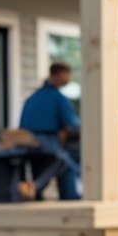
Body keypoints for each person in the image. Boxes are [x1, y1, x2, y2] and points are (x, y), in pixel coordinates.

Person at [19, 61, 81, 200]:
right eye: (67, 75)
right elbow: (72, 123)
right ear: (58, 74)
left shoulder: (32, 97)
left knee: (44, 168)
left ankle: (35, 192)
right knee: (66, 163)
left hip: (27, 145)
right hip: (47, 144)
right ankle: (66, 197)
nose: (68, 79)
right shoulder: (57, 97)